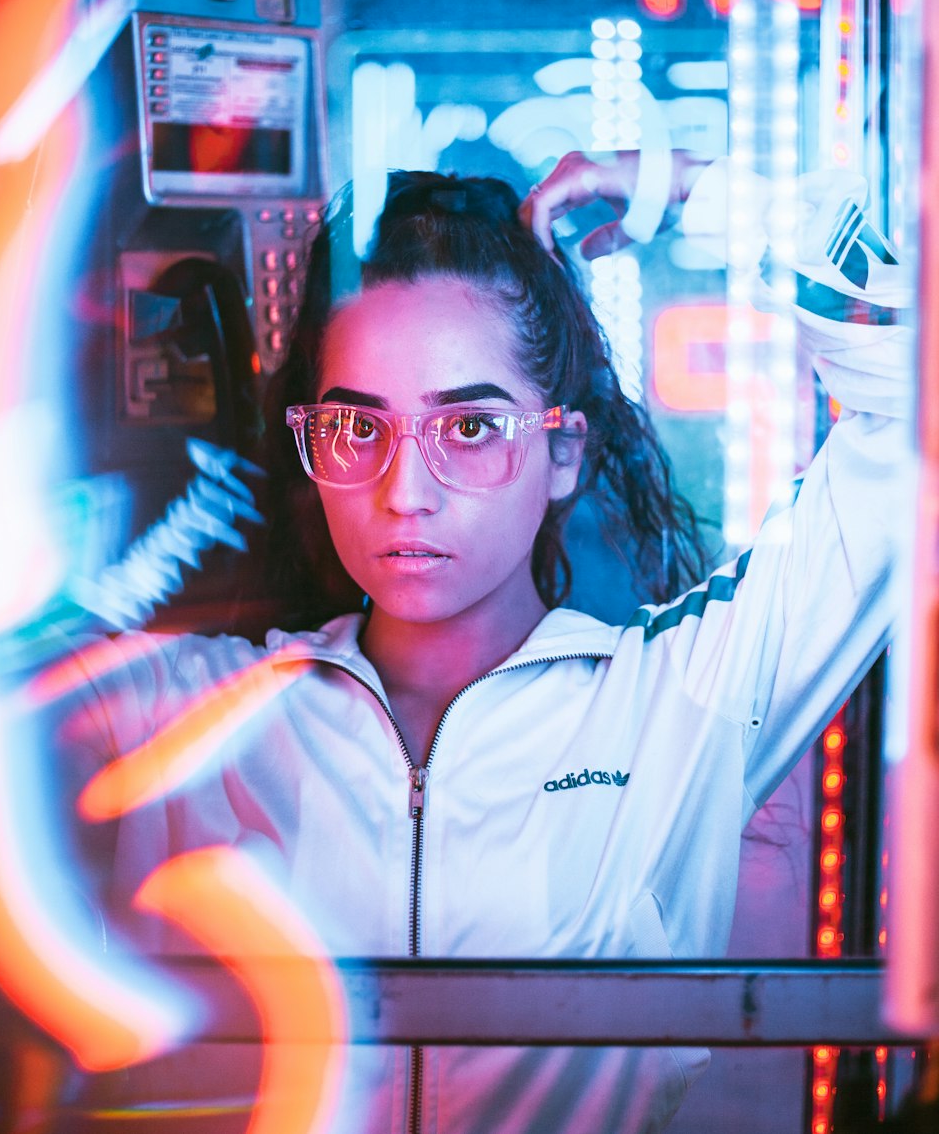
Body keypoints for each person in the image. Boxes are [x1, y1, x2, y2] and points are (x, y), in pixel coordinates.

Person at [50, 150, 910, 1134]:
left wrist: (691, 183)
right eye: (355, 427)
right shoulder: (198, 712)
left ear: (560, 451)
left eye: (467, 427)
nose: (403, 490)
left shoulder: (674, 700)